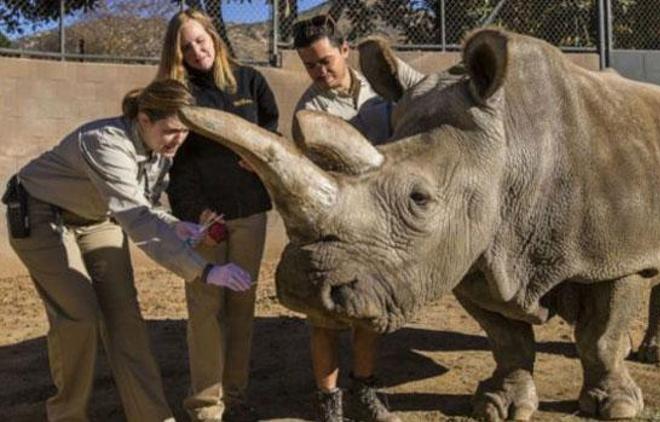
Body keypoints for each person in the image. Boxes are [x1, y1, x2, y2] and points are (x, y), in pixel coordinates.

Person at [3, 79, 253, 422]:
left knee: (126, 319)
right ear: (144, 120)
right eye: (170, 131)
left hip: (97, 219)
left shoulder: (160, 149)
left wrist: (177, 226)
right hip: (41, 213)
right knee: (80, 314)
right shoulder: (104, 142)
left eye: (184, 131)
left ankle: (151, 416)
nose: (178, 139)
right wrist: (206, 271)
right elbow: (137, 219)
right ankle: (67, 415)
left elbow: (146, 207)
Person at [292, 14, 421, 422]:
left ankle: (364, 390)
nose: (319, 71)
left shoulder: (379, 89)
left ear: (345, 50)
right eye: (309, 65)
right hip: (334, 223)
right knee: (326, 316)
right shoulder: (309, 109)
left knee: (368, 311)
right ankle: (329, 403)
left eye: (325, 60)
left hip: (379, 220)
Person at [156, 9, 279, 421]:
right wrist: (194, 213)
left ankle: (237, 395)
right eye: (186, 46)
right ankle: (206, 404)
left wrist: (260, 160)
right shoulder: (179, 94)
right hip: (207, 219)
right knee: (205, 308)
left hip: (251, 212)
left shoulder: (251, 82)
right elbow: (175, 165)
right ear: (178, 53)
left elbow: (272, 135)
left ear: (214, 37)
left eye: (200, 40)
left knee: (242, 306)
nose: (196, 51)